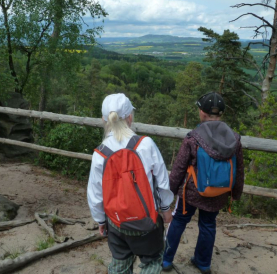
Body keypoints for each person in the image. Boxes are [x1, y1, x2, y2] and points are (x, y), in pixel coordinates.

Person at [87, 93, 174, 274]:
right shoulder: (146, 144)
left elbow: (95, 193)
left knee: (120, 263)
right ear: (129, 117)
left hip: (116, 222)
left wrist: (100, 220)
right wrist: (166, 210)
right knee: (152, 261)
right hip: (147, 220)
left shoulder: (100, 154)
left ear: (104, 120)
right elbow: (162, 182)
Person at [162, 92, 244, 274]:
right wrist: (235, 194)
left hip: (191, 192)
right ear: (220, 114)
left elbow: (178, 169)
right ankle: (203, 262)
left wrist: (169, 193)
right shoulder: (234, 139)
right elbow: (239, 170)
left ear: (202, 112)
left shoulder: (193, 138)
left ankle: (166, 259)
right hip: (218, 193)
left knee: (178, 221)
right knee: (208, 225)